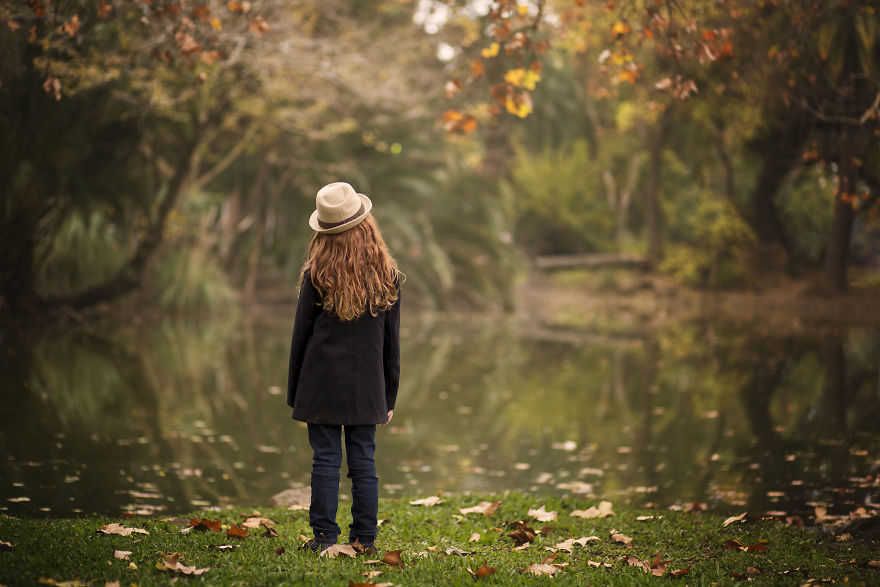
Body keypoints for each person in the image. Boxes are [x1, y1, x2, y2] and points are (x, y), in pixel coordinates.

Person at [286, 181, 403, 555]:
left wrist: (295, 393)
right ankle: (364, 539)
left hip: (320, 384)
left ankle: (324, 536)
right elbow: (391, 347)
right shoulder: (388, 278)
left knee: (325, 459)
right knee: (363, 461)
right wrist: (389, 395)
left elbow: (300, 338)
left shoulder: (316, 275)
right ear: (366, 226)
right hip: (367, 388)